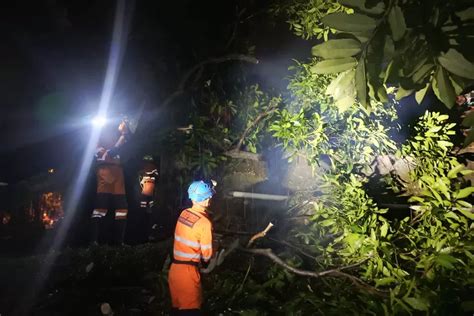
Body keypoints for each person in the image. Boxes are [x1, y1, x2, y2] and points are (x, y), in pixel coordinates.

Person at [168, 180, 216, 315]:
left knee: (177, 311)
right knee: (190, 311)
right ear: (207, 199)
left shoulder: (184, 214)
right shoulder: (204, 223)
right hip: (188, 274)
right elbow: (206, 255)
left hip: (175, 271)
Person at [90, 118, 130, 245]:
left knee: (122, 210)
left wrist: (125, 132)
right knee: (99, 211)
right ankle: (95, 241)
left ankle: (119, 242)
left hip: (118, 178)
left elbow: (123, 149)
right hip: (105, 178)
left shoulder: (114, 137)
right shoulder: (96, 145)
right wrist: (124, 135)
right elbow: (112, 152)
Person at [139, 155, 159, 240]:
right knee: (147, 210)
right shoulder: (145, 169)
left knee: (148, 211)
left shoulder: (144, 169)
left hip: (147, 193)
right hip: (147, 193)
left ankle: (146, 228)